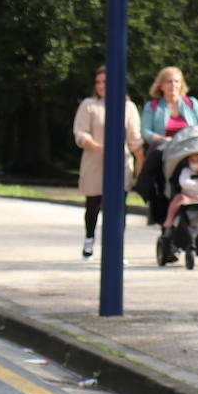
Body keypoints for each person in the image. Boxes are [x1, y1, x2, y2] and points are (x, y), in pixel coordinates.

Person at [73, 66, 144, 258]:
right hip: (95, 161)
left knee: (119, 206)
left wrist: (141, 161)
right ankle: (89, 240)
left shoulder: (127, 107)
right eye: (98, 82)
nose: (102, 86)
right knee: (93, 203)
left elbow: (134, 137)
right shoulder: (89, 105)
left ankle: (116, 247)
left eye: (106, 82)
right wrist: (94, 145)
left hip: (120, 161)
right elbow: (80, 132)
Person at [141, 66, 198, 148]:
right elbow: (145, 132)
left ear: (181, 84)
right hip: (163, 148)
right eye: (169, 82)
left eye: (176, 81)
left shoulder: (192, 103)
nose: (173, 85)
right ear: (161, 86)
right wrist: (163, 139)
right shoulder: (152, 106)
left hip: (191, 148)